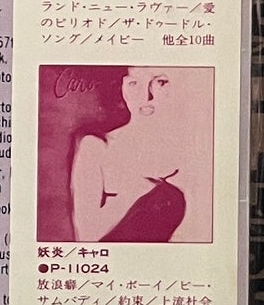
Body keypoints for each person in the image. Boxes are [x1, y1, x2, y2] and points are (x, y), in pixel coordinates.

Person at [69, 68, 190, 242]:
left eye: (160, 82)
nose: (147, 96)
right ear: (122, 89)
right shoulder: (97, 146)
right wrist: (141, 184)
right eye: (134, 83)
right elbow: (87, 236)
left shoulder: (191, 148)